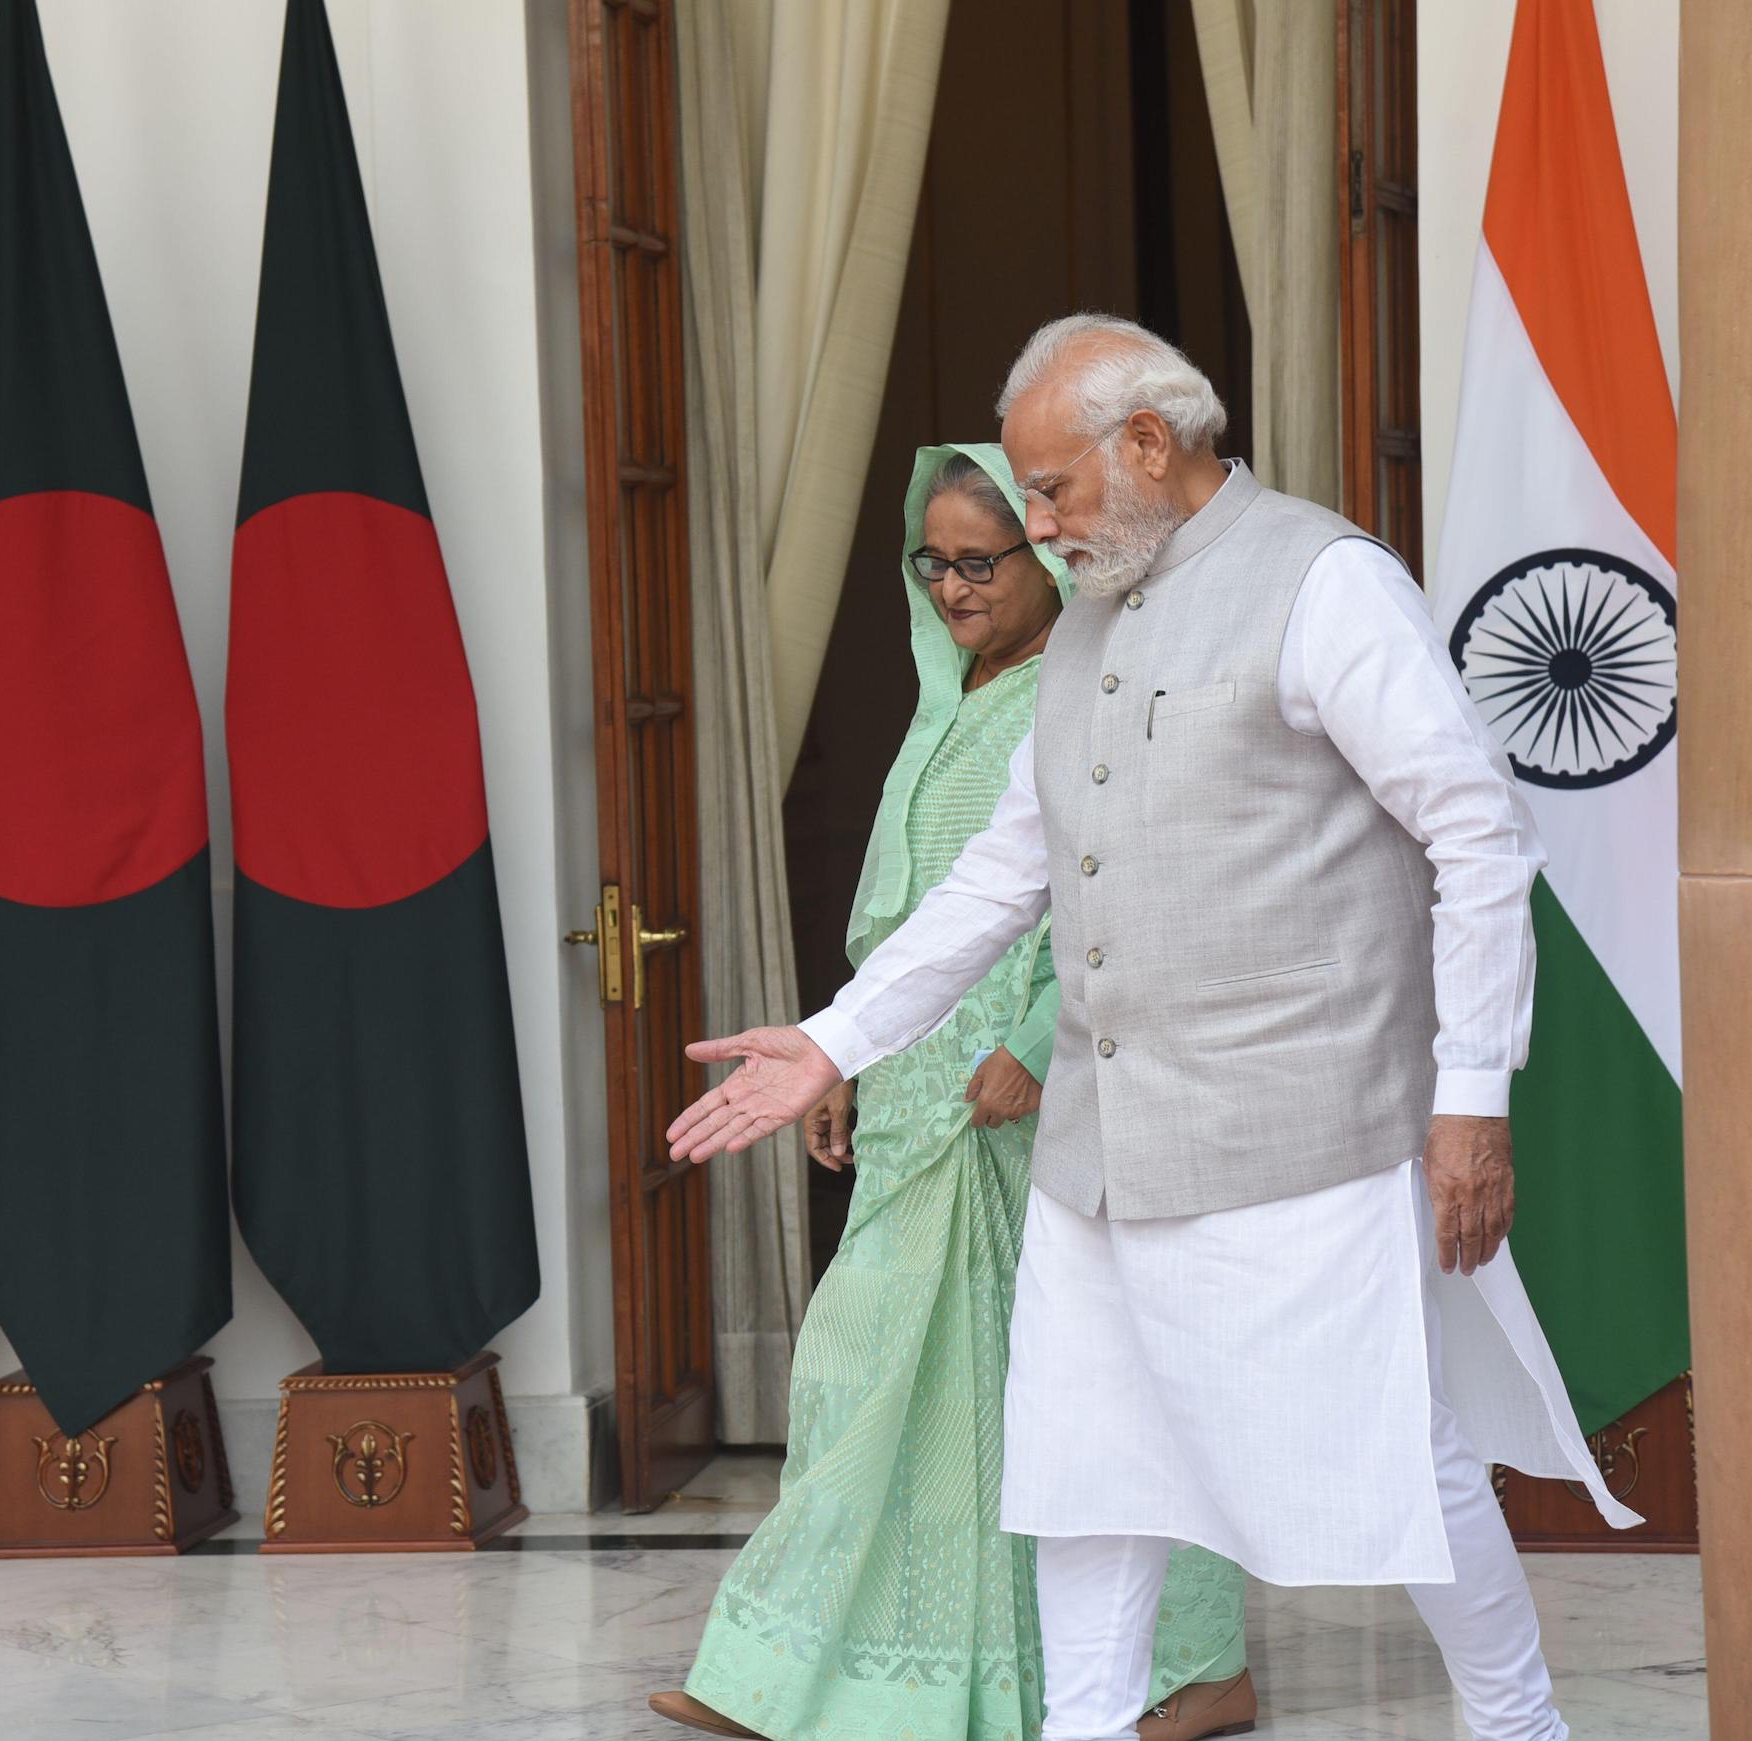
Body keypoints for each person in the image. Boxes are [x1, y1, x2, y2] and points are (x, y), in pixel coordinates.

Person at [665, 318, 1640, 1741]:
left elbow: (1478, 837)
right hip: (1097, 1153)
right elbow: (1008, 870)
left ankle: (1520, 1723)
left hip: (1301, 1137)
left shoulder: (1327, 582)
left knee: (1396, 1458)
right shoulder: (1090, 615)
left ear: (1147, 446)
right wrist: (836, 1039)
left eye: (1052, 489)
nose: (1039, 524)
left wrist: (1472, 1096)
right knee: (1091, 1476)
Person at [651, 446, 1254, 1741]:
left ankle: (1198, 1661)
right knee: (878, 1375)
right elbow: (914, 902)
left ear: (1045, 556)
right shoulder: (954, 695)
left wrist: (1041, 1037)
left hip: (1029, 1096)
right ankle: (800, 1665)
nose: (954, 585)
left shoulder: (1090, 694)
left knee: (1085, 1390)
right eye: (933, 560)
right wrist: (842, 1051)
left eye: (981, 559)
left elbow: (1124, 887)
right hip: (919, 1091)